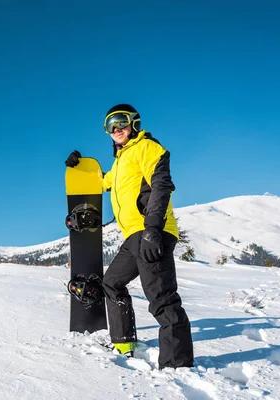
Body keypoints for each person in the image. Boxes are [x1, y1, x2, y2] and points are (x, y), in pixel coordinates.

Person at [65, 104, 194, 369]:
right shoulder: (122, 159)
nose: (115, 129)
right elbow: (103, 181)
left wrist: (153, 230)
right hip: (135, 236)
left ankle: (176, 365)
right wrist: (79, 167)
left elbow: (161, 186)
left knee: (162, 299)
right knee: (111, 283)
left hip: (150, 232)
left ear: (134, 123)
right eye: (109, 126)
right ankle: (123, 342)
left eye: (120, 122)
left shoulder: (147, 148)